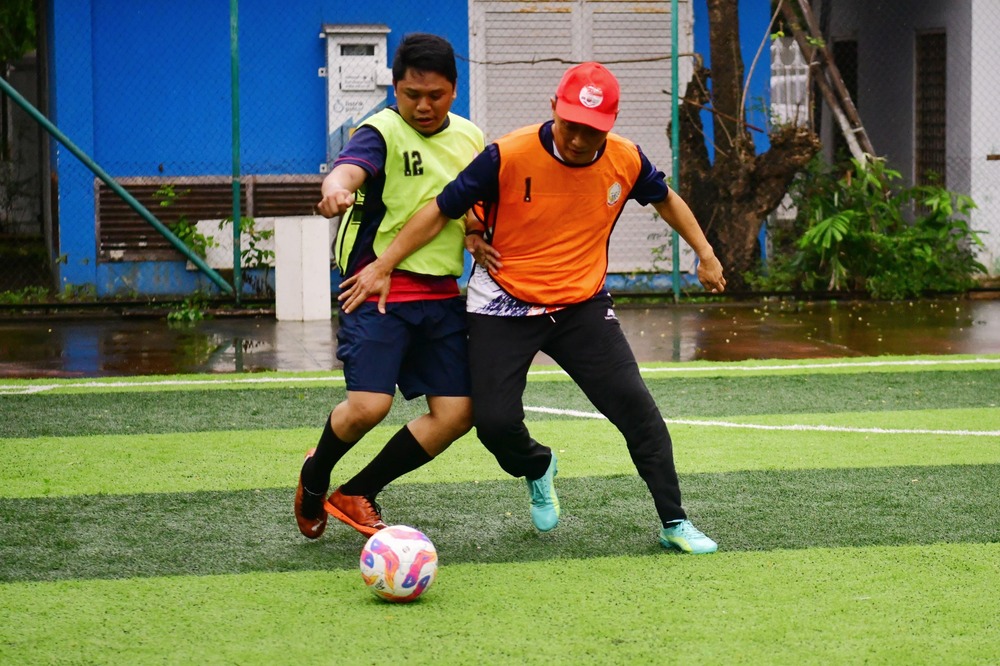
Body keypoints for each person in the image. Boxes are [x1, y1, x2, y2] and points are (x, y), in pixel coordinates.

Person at [339, 61, 726, 554]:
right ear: (553, 111)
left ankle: (675, 522)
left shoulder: (626, 159)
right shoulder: (507, 153)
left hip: (581, 305)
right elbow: (443, 208)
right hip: (503, 304)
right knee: (494, 424)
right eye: (571, 126)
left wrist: (705, 253)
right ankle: (537, 464)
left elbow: (665, 198)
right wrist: (385, 263)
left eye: (592, 130)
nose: (580, 139)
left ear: (610, 124)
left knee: (637, 410)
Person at [294, 33, 485, 539]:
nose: (422, 106)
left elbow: (471, 202)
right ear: (395, 89)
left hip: (441, 295)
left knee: (456, 413)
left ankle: (358, 491)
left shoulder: (471, 137)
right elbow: (347, 170)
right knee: (368, 408)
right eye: (410, 94)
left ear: (455, 90)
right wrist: (335, 190)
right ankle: (315, 477)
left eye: (435, 95)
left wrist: (473, 232)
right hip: (375, 287)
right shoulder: (379, 130)